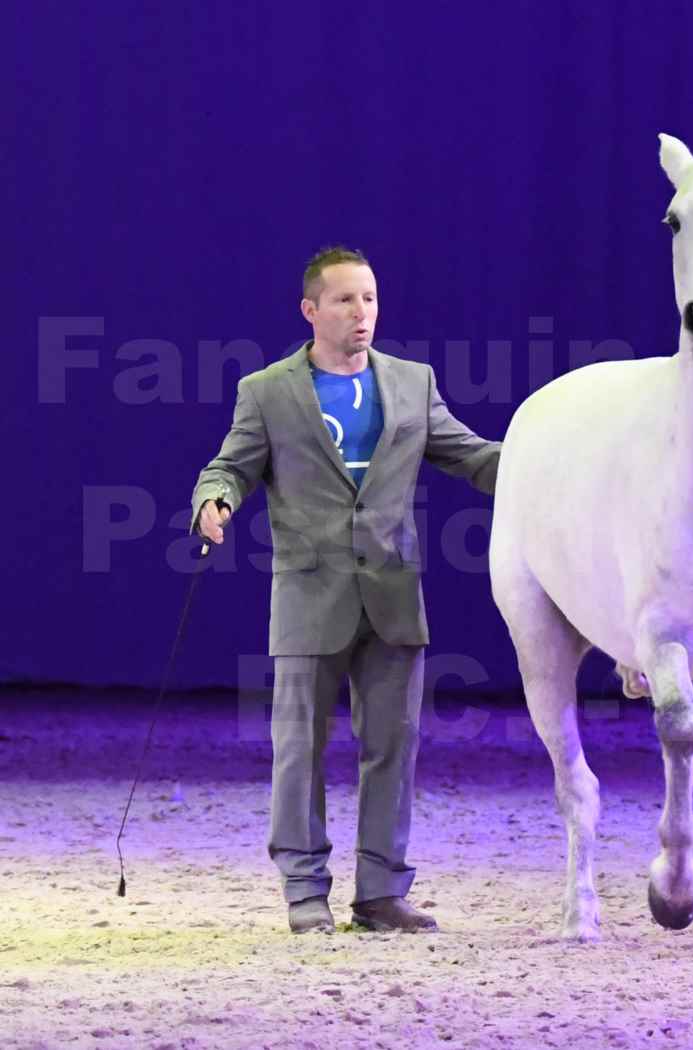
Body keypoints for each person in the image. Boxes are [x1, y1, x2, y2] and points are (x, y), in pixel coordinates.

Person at [190, 246, 500, 934]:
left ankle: (381, 893)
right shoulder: (269, 391)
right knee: (299, 748)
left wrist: (545, 463)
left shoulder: (413, 383)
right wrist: (214, 499)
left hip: (392, 599)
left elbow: (472, 456)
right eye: (345, 300)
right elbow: (230, 465)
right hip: (308, 599)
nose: (362, 313)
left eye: (369, 299)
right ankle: (304, 891)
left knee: (393, 747)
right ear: (311, 310)